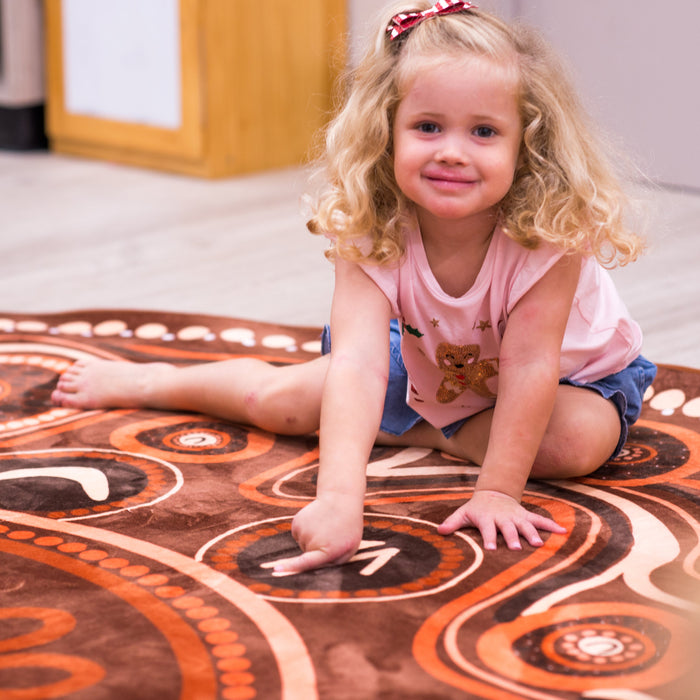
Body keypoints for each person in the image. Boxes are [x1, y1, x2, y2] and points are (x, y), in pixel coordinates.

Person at [51, 0, 656, 575]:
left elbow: (529, 369)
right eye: (426, 126)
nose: (451, 152)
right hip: (430, 362)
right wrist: (339, 497)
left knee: (573, 445)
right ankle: (159, 379)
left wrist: (497, 491)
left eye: (483, 132)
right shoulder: (371, 225)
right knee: (277, 403)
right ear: (384, 131)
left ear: (527, 146)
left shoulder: (547, 236)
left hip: (569, 379)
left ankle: (409, 425)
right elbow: (360, 363)